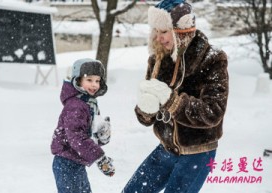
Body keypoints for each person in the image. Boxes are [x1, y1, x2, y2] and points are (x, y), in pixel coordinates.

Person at [122, 0, 229, 192]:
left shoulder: (212, 59)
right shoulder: (158, 58)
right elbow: (147, 117)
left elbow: (213, 112)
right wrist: (146, 110)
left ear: (182, 31)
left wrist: (173, 102)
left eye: (164, 32)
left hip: (198, 152)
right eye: (155, 31)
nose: (158, 38)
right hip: (166, 147)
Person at [51, 58, 115, 193]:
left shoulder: (89, 103)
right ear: (78, 80)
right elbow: (76, 138)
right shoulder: (76, 106)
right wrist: (99, 157)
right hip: (65, 163)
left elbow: (86, 136)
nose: (94, 85)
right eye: (89, 80)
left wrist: (101, 137)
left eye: (97, 81)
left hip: (76, 162)